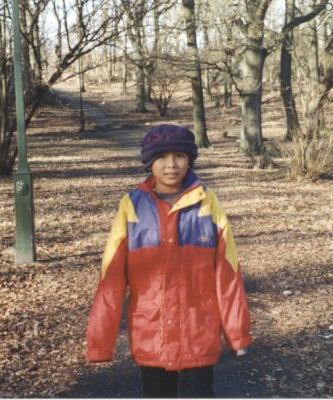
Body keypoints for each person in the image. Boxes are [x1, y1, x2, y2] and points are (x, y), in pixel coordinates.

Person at [85, 124, 252, 398]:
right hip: (152, 336)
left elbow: (228, 274)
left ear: (190, 160)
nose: (171, 165)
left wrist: (237, 333)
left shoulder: (208, 204)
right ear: (150, 163)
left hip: (198, 334)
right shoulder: (132, 206)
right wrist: (100, 341)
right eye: (161, 157)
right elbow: (111, 279)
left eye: (179, 156)